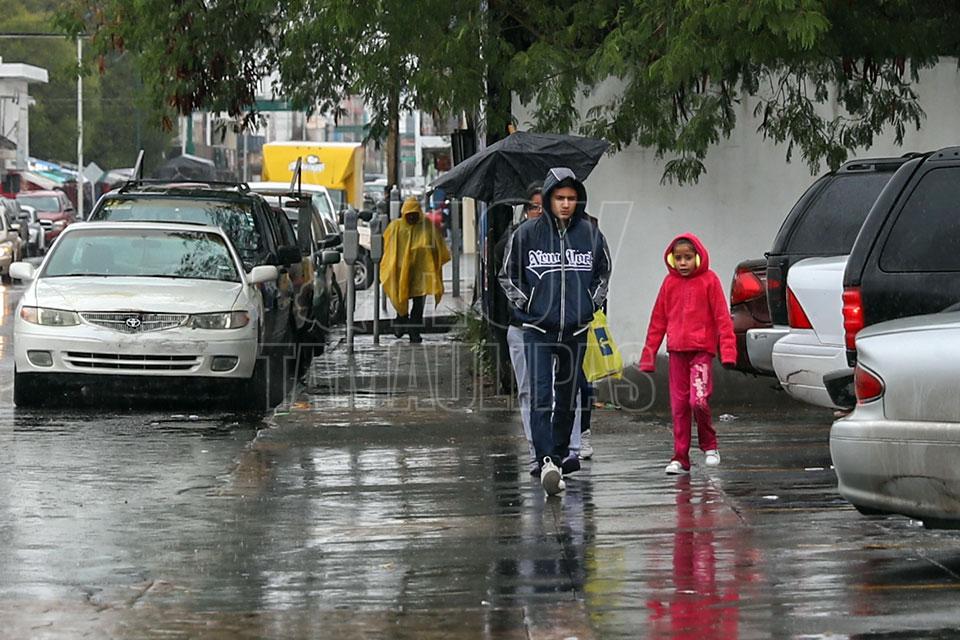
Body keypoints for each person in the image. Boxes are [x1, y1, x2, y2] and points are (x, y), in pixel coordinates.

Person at [499, 168, 611, 496]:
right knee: (539, 395)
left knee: (567, 396)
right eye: (559, 198)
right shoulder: (527, 234)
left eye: (571, 198)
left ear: (579, 200)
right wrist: (530, 305)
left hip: (575, 330)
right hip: (536, 329)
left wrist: (587, 306)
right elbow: (507, 276)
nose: (565, 204)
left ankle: (559, 457)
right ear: (548, 199)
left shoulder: (590, 235)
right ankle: (545, 459)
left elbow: (603, 274)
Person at [638, 234, 737, 475]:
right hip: (677, 354)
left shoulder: (710, 281)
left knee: (698, 401)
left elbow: (722, 318)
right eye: (679, 258)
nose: (683, 263)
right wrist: (648, 355)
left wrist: (728, 351)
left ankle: (709, 444)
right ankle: (680, 457)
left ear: (698, 258)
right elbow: (657, 321)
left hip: (702, 352)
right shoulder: (668, 284)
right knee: (679, 406)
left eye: (688, 258)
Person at [381, 196, 451, 343]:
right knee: (401, 299)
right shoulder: (396, 227)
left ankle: (414, 331)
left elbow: (438, 246)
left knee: (418, 305)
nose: (412, 217)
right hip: (401, 272)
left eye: (414, 214)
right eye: (409, 214)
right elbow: (388, 248)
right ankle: (400, 321)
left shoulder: (427, 226)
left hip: (421, 273)